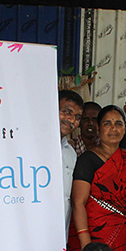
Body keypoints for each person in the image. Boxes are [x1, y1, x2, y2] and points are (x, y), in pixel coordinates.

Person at [68, 105, 126, 251]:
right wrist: (87, 246)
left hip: (122, 239)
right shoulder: (87, 160)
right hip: (92, 234)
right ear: (99, 128)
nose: (113, 128)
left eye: (118, 124)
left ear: (125, 128)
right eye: (108, 123)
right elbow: (78, 203)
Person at [58, 90, 84, 233]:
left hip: (61, 234)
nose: (72, 120)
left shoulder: (71, 153)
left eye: (77, 117)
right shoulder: (31, 147)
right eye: (66, 112)